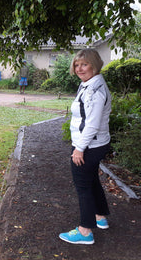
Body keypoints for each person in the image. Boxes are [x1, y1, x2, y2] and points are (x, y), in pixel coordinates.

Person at [59, 49, 111, 245]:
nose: (79, 68)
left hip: (89, 145)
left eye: (84, 64)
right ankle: (100, 217)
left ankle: (85, 231)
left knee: (83, 186)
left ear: (94, 65)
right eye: (77, 64)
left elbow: (92, 123)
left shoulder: (96, 90)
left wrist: (79, 148)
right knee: (92, 181)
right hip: (94, 143)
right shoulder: (89, 84)